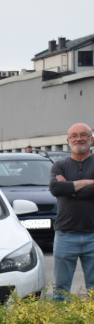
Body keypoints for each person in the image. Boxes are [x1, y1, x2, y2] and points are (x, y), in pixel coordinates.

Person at [49, 123, 94, 302]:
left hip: (93, 234)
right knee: (61, 292)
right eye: (74, 136)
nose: (79, 138)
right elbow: (55, 188)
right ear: (68, 141)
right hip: (65, 234)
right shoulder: (59, 165)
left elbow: (63, 188)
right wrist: (88, 182)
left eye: (84, 135)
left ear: (91, 139)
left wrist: (70, 187)